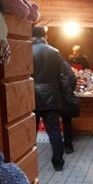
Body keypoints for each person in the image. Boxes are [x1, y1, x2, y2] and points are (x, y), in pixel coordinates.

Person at [32, 26, 73, 171]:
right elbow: (65, 77)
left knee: (30, 134)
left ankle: (29, 163)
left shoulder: (26, 51)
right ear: (45, 35)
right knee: (54, 132)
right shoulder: (55, 52)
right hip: (52, 98)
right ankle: (58, 163)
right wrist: (65, 95)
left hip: (32, 97)